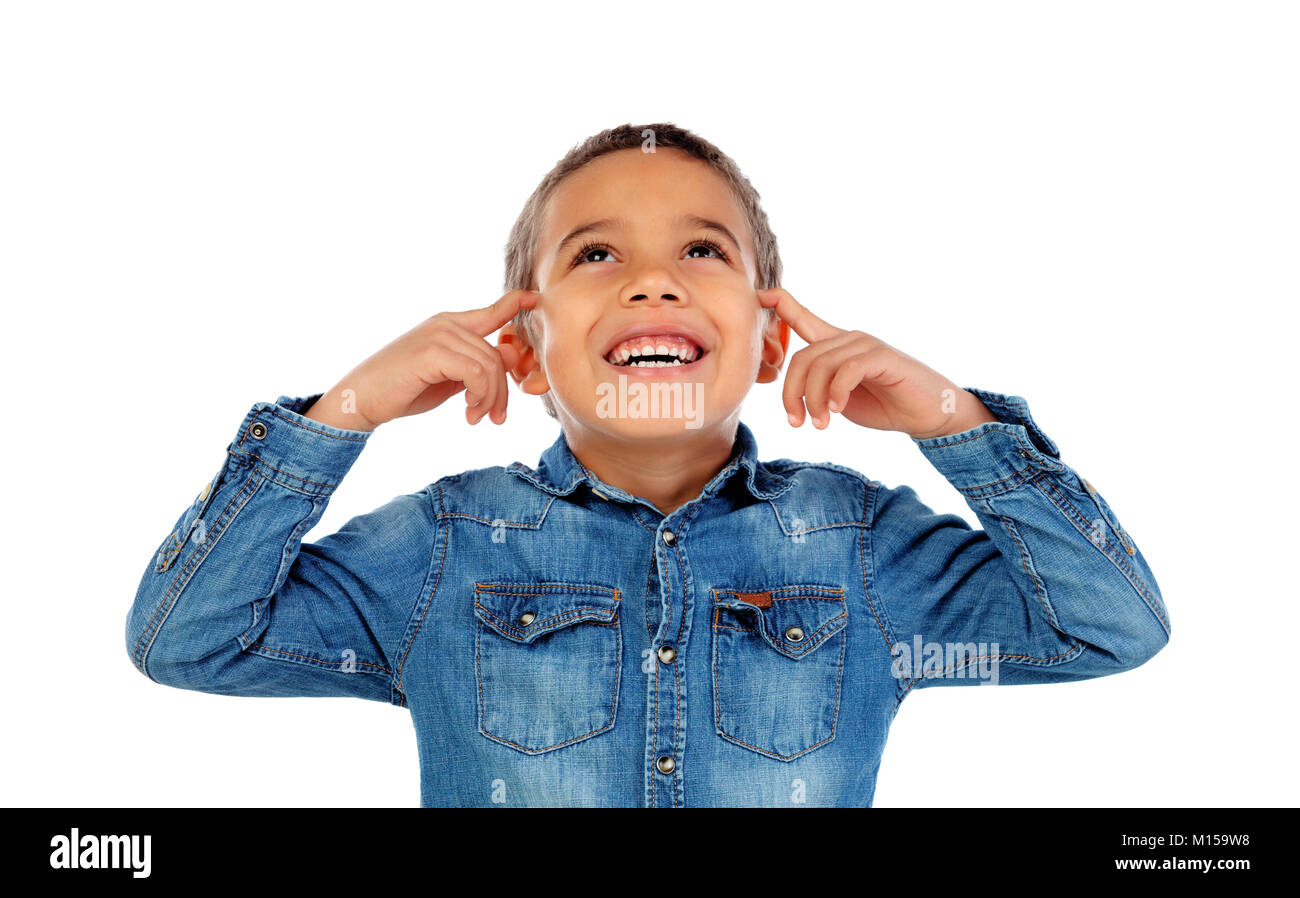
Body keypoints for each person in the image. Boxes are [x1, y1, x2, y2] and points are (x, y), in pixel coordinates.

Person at [126, 122, 1170, 807]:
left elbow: (1106, 625)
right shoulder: (443, 546)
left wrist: (954, 421)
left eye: (702, 251)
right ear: (524, 350)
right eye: (596, 255)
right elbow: (190, 640)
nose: (652, 283)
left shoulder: (863, 548)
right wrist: (339, 413)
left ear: (768, 342)